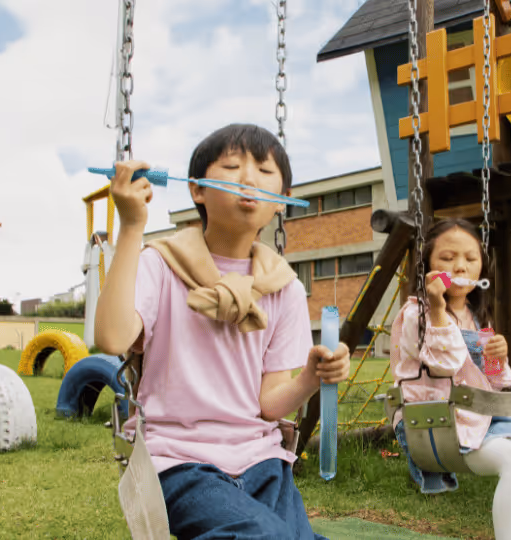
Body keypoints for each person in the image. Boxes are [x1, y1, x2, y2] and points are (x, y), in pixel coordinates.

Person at [95, 123, 351, 539]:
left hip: (262, 463)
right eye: (232, 167)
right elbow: (111, 337)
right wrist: (130, 228)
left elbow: (270, 405)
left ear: (282, 202)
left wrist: (310, 377)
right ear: (197, 190)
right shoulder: (160, 265)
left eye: (265, 172)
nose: (249, 179)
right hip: (178, 462)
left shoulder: (284, 287)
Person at [390, 218, 511, 540]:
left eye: (470, 258)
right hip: (438, 422)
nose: (460, 267)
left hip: (480, 418)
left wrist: (497, 360)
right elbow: (443, 366)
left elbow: (494, 384)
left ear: (482, 268)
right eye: (448, 258)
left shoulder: (478, 317)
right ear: (428, 265)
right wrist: (437, 309)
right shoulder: (415, 313)